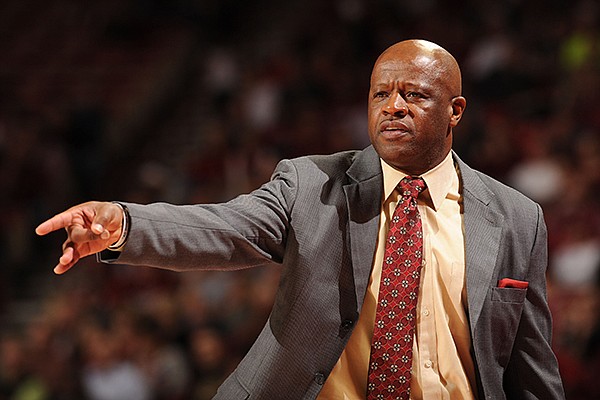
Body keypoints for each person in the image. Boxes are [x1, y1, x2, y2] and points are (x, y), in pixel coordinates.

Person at [36, 39, 565, 399]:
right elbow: (224, 229)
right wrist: (125, 224)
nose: (393, 106)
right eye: (381, 93)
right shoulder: (311, 185)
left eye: (415, 95)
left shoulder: (518, 218)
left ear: (456, 110)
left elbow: (530, 366)